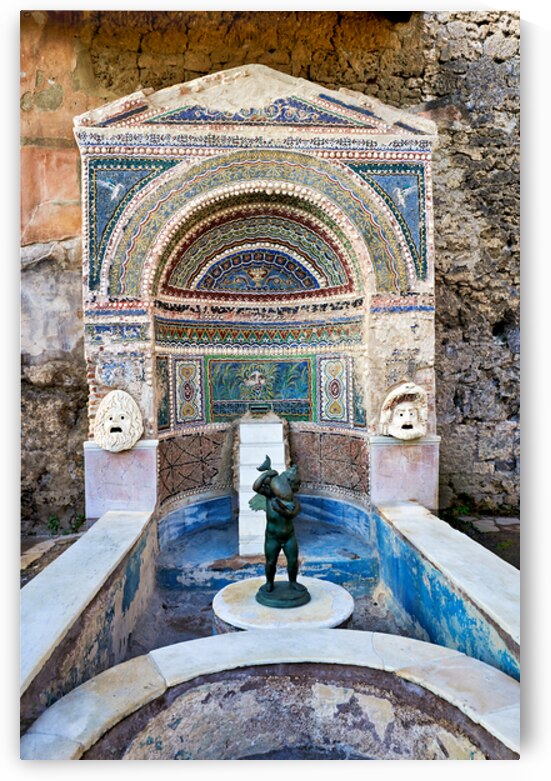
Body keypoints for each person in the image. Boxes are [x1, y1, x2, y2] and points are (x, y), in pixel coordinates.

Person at [252, 456, 307, 593]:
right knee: (271, 562)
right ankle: (269, 582)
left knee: (293, 561)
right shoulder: (270, 495)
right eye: (295, 484)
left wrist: (280, 508)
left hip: (289, 537)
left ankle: (293, 582)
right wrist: (268, 474)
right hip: (272, 536)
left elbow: (291, 514)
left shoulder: (295, 503)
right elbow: (256, 487)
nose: (297, 488)